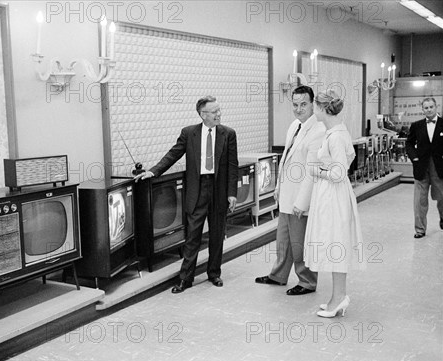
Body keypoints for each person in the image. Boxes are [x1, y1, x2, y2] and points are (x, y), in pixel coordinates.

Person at [135, 95, 239, 293]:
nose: (219, 114)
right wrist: (154, 171)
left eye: (219, 110)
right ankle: (186, 279)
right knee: (192, 237)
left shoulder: (229, 134)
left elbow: (232, 165)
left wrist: (232, 193)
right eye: (214, 111)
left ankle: (214, 273)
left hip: (219, 190)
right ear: (203, 114)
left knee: (217, 235)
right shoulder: (189, 133)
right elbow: (173, 154)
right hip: (197, 190)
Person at [255, 85, 326, 295]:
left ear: (313, 104)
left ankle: (307, 281)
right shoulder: (295, 125)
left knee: (300, 243)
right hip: (287, 193)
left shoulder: (319, 130)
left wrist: (302, 202)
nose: (298, 108)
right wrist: (277, 187)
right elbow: (285, 159)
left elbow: (312, 171)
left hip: (301, 198)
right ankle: (278, 275)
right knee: (283, 241)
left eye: (303, 104)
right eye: (295, 104)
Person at [304, 89, 365, 318]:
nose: (313, 111)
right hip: (330, 195)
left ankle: (339, 298)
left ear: (322, 109)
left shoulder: (336, 136)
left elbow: (339, 172)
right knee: (332, 245)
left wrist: (316, 170)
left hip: (334, 195)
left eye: (315, 107)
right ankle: (336, 297)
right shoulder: (333, 133)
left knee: (335, 245)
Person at [405, 97, 443, 238]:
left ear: (436, 107)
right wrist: (414, 158)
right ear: (422, 109)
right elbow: (409, 144)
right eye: (426, 107)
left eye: (431, 107)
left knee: (442, 196)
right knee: (419, 201)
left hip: (440, 168)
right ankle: (420, 229)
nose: (428, 110)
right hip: (421, 167)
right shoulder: (416, 125)